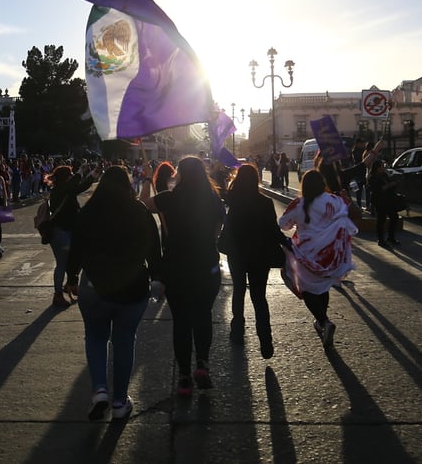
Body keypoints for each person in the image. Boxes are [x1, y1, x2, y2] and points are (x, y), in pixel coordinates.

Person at [67, 166, 162, 421]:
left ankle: (99, 389)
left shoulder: (89, 211)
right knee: (124, 341)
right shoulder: (139, 211)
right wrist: (158, 277)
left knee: (96, 338)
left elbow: (76, 247)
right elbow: (154, 247)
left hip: (94, 285)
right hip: (132, 288)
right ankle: (120, 401)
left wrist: (71, 277)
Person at [140, 155, 225, 397]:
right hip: (206, 265)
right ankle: (203, 364)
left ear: (181, 174)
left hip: (176, 267)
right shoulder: (213, 199)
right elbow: (217, 233)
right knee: (203, 316)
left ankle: (185, 377)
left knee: (182, 322)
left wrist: (148, 176)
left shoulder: (170, 198)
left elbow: (143, 203)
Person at [278, 170, 358, 349]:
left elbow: (283, 224)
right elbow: (350, 212)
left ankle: (324, 321)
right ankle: (322, 321)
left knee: (307, 289)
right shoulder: (335, 200)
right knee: (322, 287)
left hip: (305, 255)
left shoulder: (299, 204)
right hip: (330, 255)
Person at [223, 163, 283, 359]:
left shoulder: (234, 200)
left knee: (238, 291)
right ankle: (265, 339)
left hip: (237, 254)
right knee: (259, 296)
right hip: (259, 255)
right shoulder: (265, 202)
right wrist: (288, 243)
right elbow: (274, 231)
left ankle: (237, 331)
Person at [47, 163, 100, 308]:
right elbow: (74, 186)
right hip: (61, 232)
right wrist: (79, 173)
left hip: (69, 230)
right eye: (69, 174)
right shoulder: (59, 190)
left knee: (77, 258)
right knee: (62, 264)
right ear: (65, 177)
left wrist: (92, 176)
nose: (71, 177)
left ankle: (70, 283)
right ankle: (58, 295)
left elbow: (80, 188)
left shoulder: (65, 190)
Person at [367, 159, 401, 248]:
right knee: (381, 219)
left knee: (394, 216)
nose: (383, 168)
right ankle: (381, 239)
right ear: (377, 168)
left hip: (389, 199)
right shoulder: (372, 177)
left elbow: (390, 182)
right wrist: (388, 186)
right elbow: (377, 189)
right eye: (382, 166)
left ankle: (391, 237)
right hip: (379, 200)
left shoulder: (384, 174)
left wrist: (394, 183)